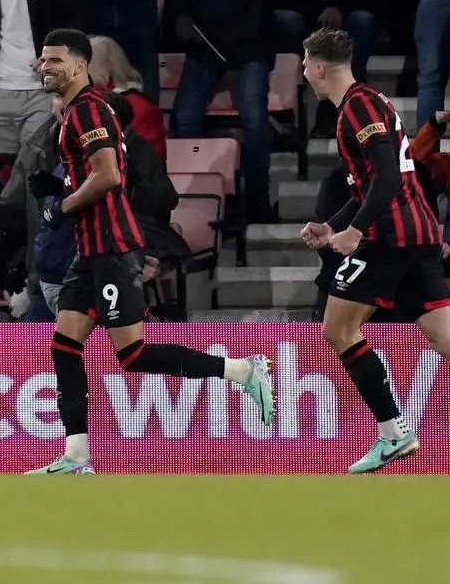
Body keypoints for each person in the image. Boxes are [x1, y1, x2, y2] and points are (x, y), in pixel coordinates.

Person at [23, 28, 274, 475]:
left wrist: (58, 207)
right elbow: (97, 173)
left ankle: (242, 371)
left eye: (56, 60)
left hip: (113, 249)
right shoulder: (87, 109)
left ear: (81, 65)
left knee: (133, 355)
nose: (47, 67)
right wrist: (61, 186)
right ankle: (77, 456)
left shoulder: (85, 112)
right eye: (43, 60)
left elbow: (109, 177)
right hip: (92, 249)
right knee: (64, 344)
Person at [297, 28, 450, 475]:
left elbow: (387, 178)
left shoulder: (356, 107)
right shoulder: (369, 102)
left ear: (320, 68)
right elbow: (371, 182)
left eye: (305, 64)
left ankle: (394, 433)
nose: (303, 72)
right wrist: (332, 225)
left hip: (391, 236)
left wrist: (356, 232)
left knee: (338, 329)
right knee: (447, 338)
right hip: (416, 231)